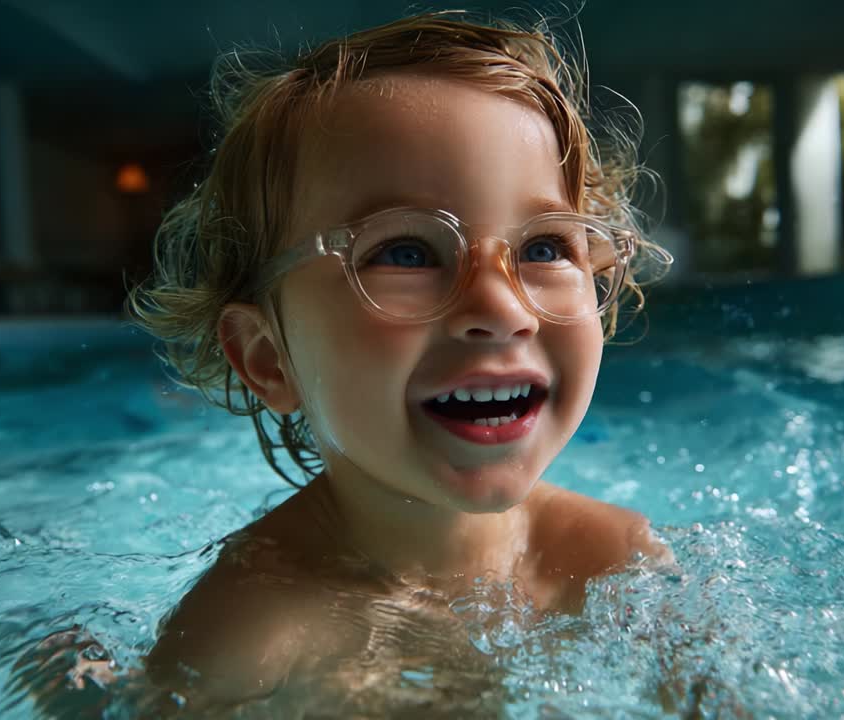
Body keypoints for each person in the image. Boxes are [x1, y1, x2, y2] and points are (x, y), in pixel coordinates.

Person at [123, 9, 675, 714]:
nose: (504, 310)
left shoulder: (619, 563)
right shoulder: (246, 637)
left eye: (544, 248)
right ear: (268, 360)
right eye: (406, 253)